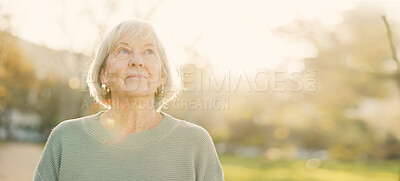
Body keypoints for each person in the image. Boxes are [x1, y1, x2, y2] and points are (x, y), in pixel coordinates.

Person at [34, 19, 224, 181]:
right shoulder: (65, 139)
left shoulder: (195, 143)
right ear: (103, 74)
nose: (137, 61)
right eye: (123, 51)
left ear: (162, 76)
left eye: (149, 51)